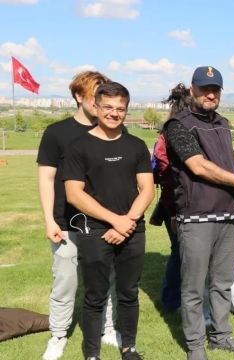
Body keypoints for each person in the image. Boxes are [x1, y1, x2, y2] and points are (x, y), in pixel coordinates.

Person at [163, 66, 234, 360]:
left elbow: (227, 159)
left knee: (222, 282)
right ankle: (196, 346)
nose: (210, 94)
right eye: (204, 88)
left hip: (227, 214)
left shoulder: (222, 123)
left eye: (215, 89)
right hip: (196, 215)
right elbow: (198, 165)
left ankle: (221, 336)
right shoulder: (178, 125)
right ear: (192, 90)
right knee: (194, 287)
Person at [63, 82, 154, 360]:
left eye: (120, 108)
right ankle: (92, 354)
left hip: (132, 229)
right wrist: (115, 221)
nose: (114, 113)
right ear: (96, 107)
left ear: (126, 109)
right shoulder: (78, 147)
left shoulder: (136, 145)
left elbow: (147, 189)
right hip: (95, 230)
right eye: (108, 107)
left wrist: (127, 222)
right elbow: (74, 195)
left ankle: (129, 348)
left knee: (128, 292)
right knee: (95, 296)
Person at [37, 71, 121, 360]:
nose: (102, 103)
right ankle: (58, 335)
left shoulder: (113, 130)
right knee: (66, 281)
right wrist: (49, 219)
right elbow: (46, 178)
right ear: (78, 97)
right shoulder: (56, 134)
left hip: (104, 224)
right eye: (95, 96)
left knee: (105, 279)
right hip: (66, 223)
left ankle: (107, 329)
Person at [154, 83, 234, 315]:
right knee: (195, 266)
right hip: (186, 206)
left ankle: (175, 302)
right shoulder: (177, 130)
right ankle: (201, 311)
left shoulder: (215, 126)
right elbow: (193, 167)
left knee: (185, 257)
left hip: (199, 204)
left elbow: (223, 160)